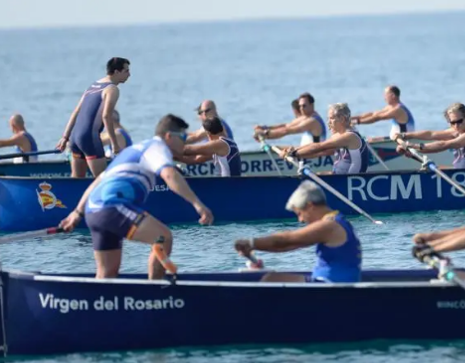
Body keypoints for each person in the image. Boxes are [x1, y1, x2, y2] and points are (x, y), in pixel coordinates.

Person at [59, 114, 214, 280]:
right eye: (183, 137)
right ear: (169, 136)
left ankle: (97, 303)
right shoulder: (158, 147)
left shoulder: (134, 150)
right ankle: (156, 294)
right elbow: (169, 175)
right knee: (163, 237)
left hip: (94, 210)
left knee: (107, 274)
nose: (185, 142)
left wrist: (77, 212)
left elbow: (99, 181)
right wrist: (198, 205)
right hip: (113, 207)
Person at [234, 180, 362, 282]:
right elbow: (287, 246)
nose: (300, 220)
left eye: (300, 213)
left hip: (330, 286)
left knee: (271, 279)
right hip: (330, 283)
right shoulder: (336, 220)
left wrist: (251, 243)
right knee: (272, 277)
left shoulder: (329, 226)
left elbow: (284, 240)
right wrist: (254, 249)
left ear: (310, 206)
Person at [56, 57, 130, 177]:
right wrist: (114, 144)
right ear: (116, 72)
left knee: (77, 180)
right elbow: (106, 116)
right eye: (126, 71)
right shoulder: (112, 89)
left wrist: (65, 137)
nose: (129, 74)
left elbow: (75, 112)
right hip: (89, 138)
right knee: (102, 181)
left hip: (74, 137)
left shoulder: (93, 85)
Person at [281, 103, 369, 174]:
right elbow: (319, 151)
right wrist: (294, 151)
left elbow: (320, 146)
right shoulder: (338, 136)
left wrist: (294, 154)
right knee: (318, 175)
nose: (328, 122)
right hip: (340, 178)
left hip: (351, 182)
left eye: (331, 118)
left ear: (342, 119)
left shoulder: (350, 136)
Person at [394, 102, 465, 169]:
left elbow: (443, 145)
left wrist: (410, 145)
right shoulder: (454, 132)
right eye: (452, 122)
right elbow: (431, 134)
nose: (456, 125)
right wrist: (404, 135)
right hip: (461, 173)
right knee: (430, 170)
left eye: (459, 121)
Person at [254, 93, 327, 145]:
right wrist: (265, 128)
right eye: (300, 106)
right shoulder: (306, 117)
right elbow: (287, 126)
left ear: (312, 105)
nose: (301, 109)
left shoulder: (312, 121)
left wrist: (264, 134)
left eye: (304, 106)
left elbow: (287, 131)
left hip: (314, 156)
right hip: (306, 154)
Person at [351, 85, 416, 139]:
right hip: (395, 139)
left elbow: (377, 118)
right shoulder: (391, 107)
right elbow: (373, 114)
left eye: (386, 95)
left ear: (393, 95)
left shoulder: (398, 110)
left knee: (369, 141)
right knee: (371, 140)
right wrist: (350, 118)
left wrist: (356, 122)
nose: (384, 98)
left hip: (404, 141)